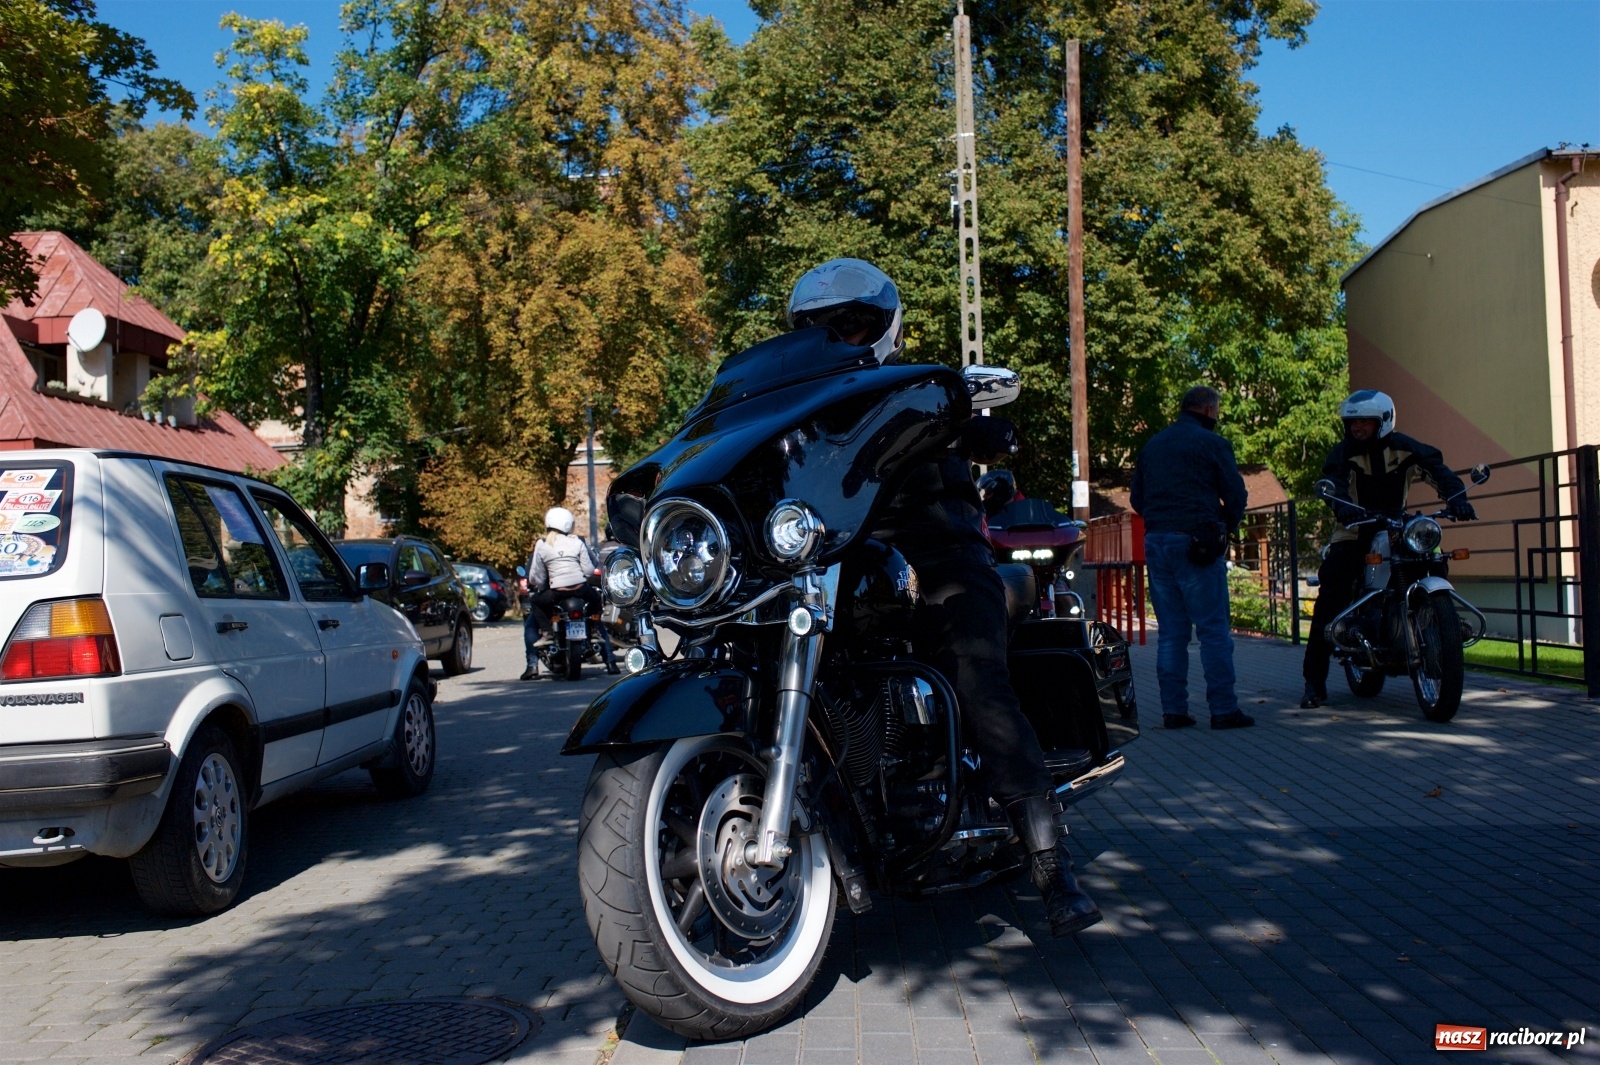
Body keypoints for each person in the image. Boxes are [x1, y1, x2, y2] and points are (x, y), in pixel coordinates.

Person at [789, 257, 1101, 937]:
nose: (838, 336)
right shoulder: (800, 415)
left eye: (851, 323)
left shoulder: (917, 390)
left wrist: (960, 407)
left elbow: (990, 431)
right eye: (821, 326)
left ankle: (1052, 865)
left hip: (942, 560)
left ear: (883, 327)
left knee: (977, 680)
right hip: (846, 569)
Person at [1300, 390, 1474, 708]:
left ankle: (1444, 619)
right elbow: (1334, 484)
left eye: (1365, 422)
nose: (1357, 429)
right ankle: (1314, 682)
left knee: (1432, 556)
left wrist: (1457, 498)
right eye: (1352, 423)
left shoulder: (1406, 449)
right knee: (1331, 593)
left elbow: (1440, 472)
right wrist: (1346, 509)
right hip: (1353, 530)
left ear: (1383, 421)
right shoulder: (1342, 454)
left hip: (1396, 525)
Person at [1129, 386, 1253, 730]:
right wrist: (1223, 526)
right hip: (1196, 541)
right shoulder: (1213, 443)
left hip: (1157, 540)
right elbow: (1236, 495)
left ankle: (1174, 711)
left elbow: (1137, 499)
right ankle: (1224, 710)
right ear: (1209, 409)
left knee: (1171, 633)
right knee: (1213, 629)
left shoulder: (1153, 445)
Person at [520, 506, 602, 681]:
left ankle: (547, 634)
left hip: (557, 592)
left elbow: (536, 576)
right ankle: (594, 630)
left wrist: (543, 585)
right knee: (596, 599)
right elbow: (588, 569)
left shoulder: (542, 545)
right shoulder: (577, 542)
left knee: (535, 603)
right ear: (568, 524)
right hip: (580, 589)